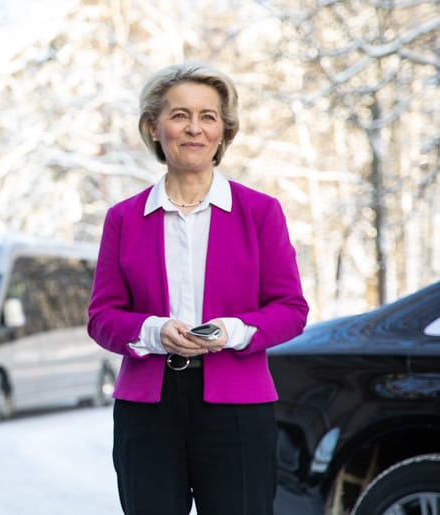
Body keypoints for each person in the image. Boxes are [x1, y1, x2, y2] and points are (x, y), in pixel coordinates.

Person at [87, 62, 309, 515]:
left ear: (224, 130)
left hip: (238, 408)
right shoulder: (123, 219)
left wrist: (230, 331)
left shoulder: (260, 212)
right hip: (147, 411)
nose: (194, 128)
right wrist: (154, 331)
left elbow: (290, 309)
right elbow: (102, 317)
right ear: (154, 127)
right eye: (179, 115)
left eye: (208, 116)